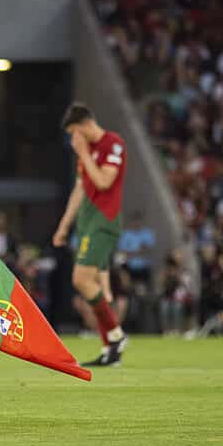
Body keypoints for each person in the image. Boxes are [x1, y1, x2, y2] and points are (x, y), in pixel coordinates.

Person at [52, 102, 128, 367]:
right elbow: (80, 190)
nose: (73, 140)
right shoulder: (86, 153)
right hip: (87, 223)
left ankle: (116, 335)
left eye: (74, 133)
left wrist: (84, 153)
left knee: (81, 280)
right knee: (95, 288)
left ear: (85, 126)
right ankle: (111, 349)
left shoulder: (112, 144)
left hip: (103, 221)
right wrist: (63, 227)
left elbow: (105, 181)